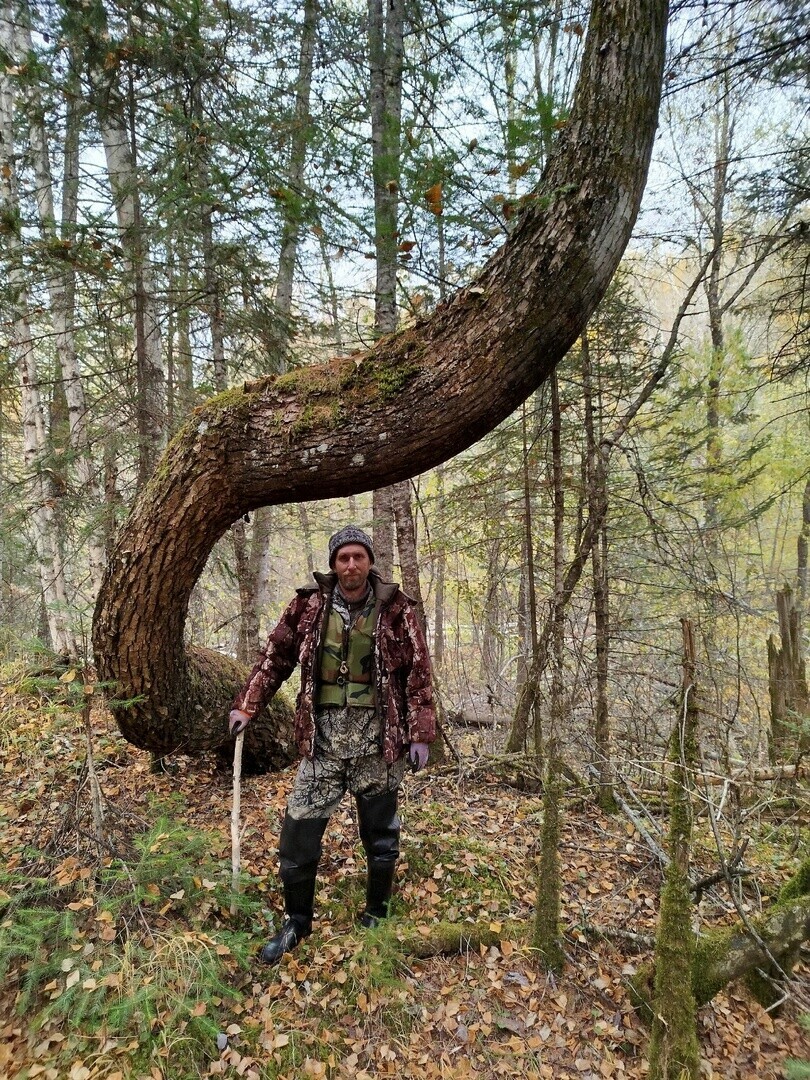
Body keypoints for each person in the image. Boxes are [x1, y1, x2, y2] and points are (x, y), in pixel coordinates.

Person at [229, 525, 436, 963]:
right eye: (343, 558)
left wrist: (421, 733)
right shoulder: (308, 605)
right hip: (321, 743)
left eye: (359, 557)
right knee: (297, 836)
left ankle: (377, 913)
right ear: (333, 564)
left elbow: (418, 674)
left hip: (377, 746)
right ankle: (297, 923)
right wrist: (247, 706)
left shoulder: (397, 610)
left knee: (381, 838)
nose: (351, 565)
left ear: (370, 562)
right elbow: (276, 657)